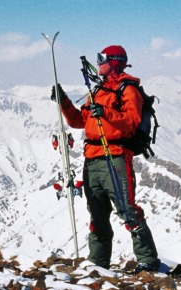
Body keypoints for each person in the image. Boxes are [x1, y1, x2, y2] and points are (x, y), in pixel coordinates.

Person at [50, 45, 160, 273]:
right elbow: (80, 121)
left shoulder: (128, 89)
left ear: (115, 61)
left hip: (115, 157)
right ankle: (98, 264)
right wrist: (64, 102)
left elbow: (131, 121)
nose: (98, 62)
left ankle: (148, 261)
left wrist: (106, 113)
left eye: (102, 58)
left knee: (127, 210)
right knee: (97, 214)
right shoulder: (99, 91)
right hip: (92, 159)